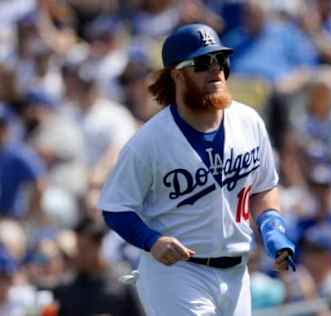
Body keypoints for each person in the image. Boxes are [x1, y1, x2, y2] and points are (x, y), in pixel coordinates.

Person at [97, 23, 295, 316]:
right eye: (202, 62)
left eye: (220, 60)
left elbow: (264, 187)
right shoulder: (148, 141)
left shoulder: (248, 121)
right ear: (177, 74)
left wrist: (272, 227)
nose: (215, 69)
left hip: (237, 271)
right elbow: (115, 207)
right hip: (178, 273)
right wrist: (151, 241)